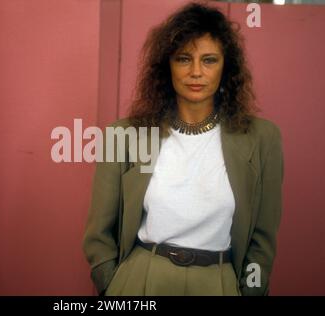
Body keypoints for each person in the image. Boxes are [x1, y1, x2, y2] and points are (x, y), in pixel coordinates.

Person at [82, 1, 284, 296]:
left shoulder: (263, 138)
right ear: (168, 66)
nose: (196, 72)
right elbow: (98, 233)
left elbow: (263, 240)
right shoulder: (123, 135)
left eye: (210, 60)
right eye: (184, 58)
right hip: (140, 279)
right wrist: (112, 283)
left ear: (226, 67)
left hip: (218, 282)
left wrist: (251, 290)